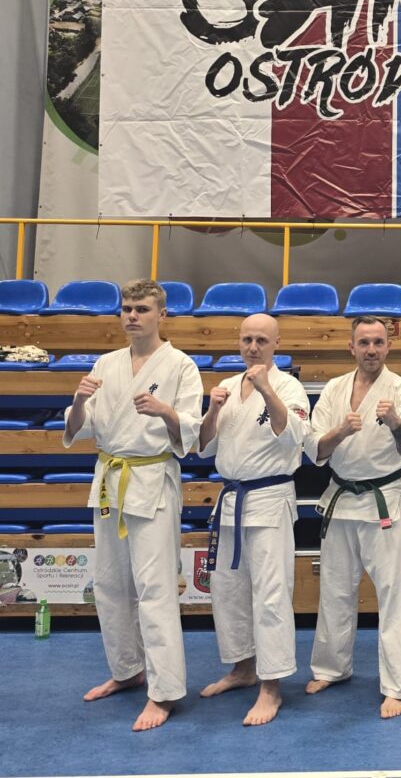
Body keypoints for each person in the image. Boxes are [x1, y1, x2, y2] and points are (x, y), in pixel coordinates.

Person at [64, 279, 203, 731]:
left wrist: (165, 411)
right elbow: (78, 429)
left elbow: (193, 433)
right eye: (126, 308)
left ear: (162, 314)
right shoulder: (106, 364)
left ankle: (164, 692)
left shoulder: (181, 366)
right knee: (109, 583)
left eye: (141, 309)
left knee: (155, 589)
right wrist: (78, 401)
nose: (131, 316)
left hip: (152, 480)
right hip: (110, 479)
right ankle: (127, 670)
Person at [305, 316, 401, 718]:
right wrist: (341, 432)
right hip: (341, 499)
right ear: (352, 347)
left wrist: (395, 423)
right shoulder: (334, 389)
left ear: (388, 346)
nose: (371, 349)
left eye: (378, 342)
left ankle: (398, 685)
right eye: (364, 342)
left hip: (383, 501)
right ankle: (331, 667)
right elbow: (315, 449)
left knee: (393, 595)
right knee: (335, 588)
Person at [197, 313, 310, 726]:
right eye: (247, 339)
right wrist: (212, 410)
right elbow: (203, 447)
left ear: (277, 344)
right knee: (228, 590)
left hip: (269, 499)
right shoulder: (226, 386)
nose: (253, 347)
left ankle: (271, 685)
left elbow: (295, 435)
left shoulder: (289, 387)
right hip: (230, 500)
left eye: (262, 340)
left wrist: (265, 389)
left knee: (271, 594)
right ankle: (243, 668)